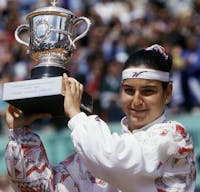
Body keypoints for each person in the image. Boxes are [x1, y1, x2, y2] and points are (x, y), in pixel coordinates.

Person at [5, 44, 196, 192]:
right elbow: (43, 187)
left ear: (168, 92)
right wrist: (21, 136)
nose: (137, 101)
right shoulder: (99, 153)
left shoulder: (175, 138)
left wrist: (76, 116)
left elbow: (115, 160)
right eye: (129, 90)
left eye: (148, 91)